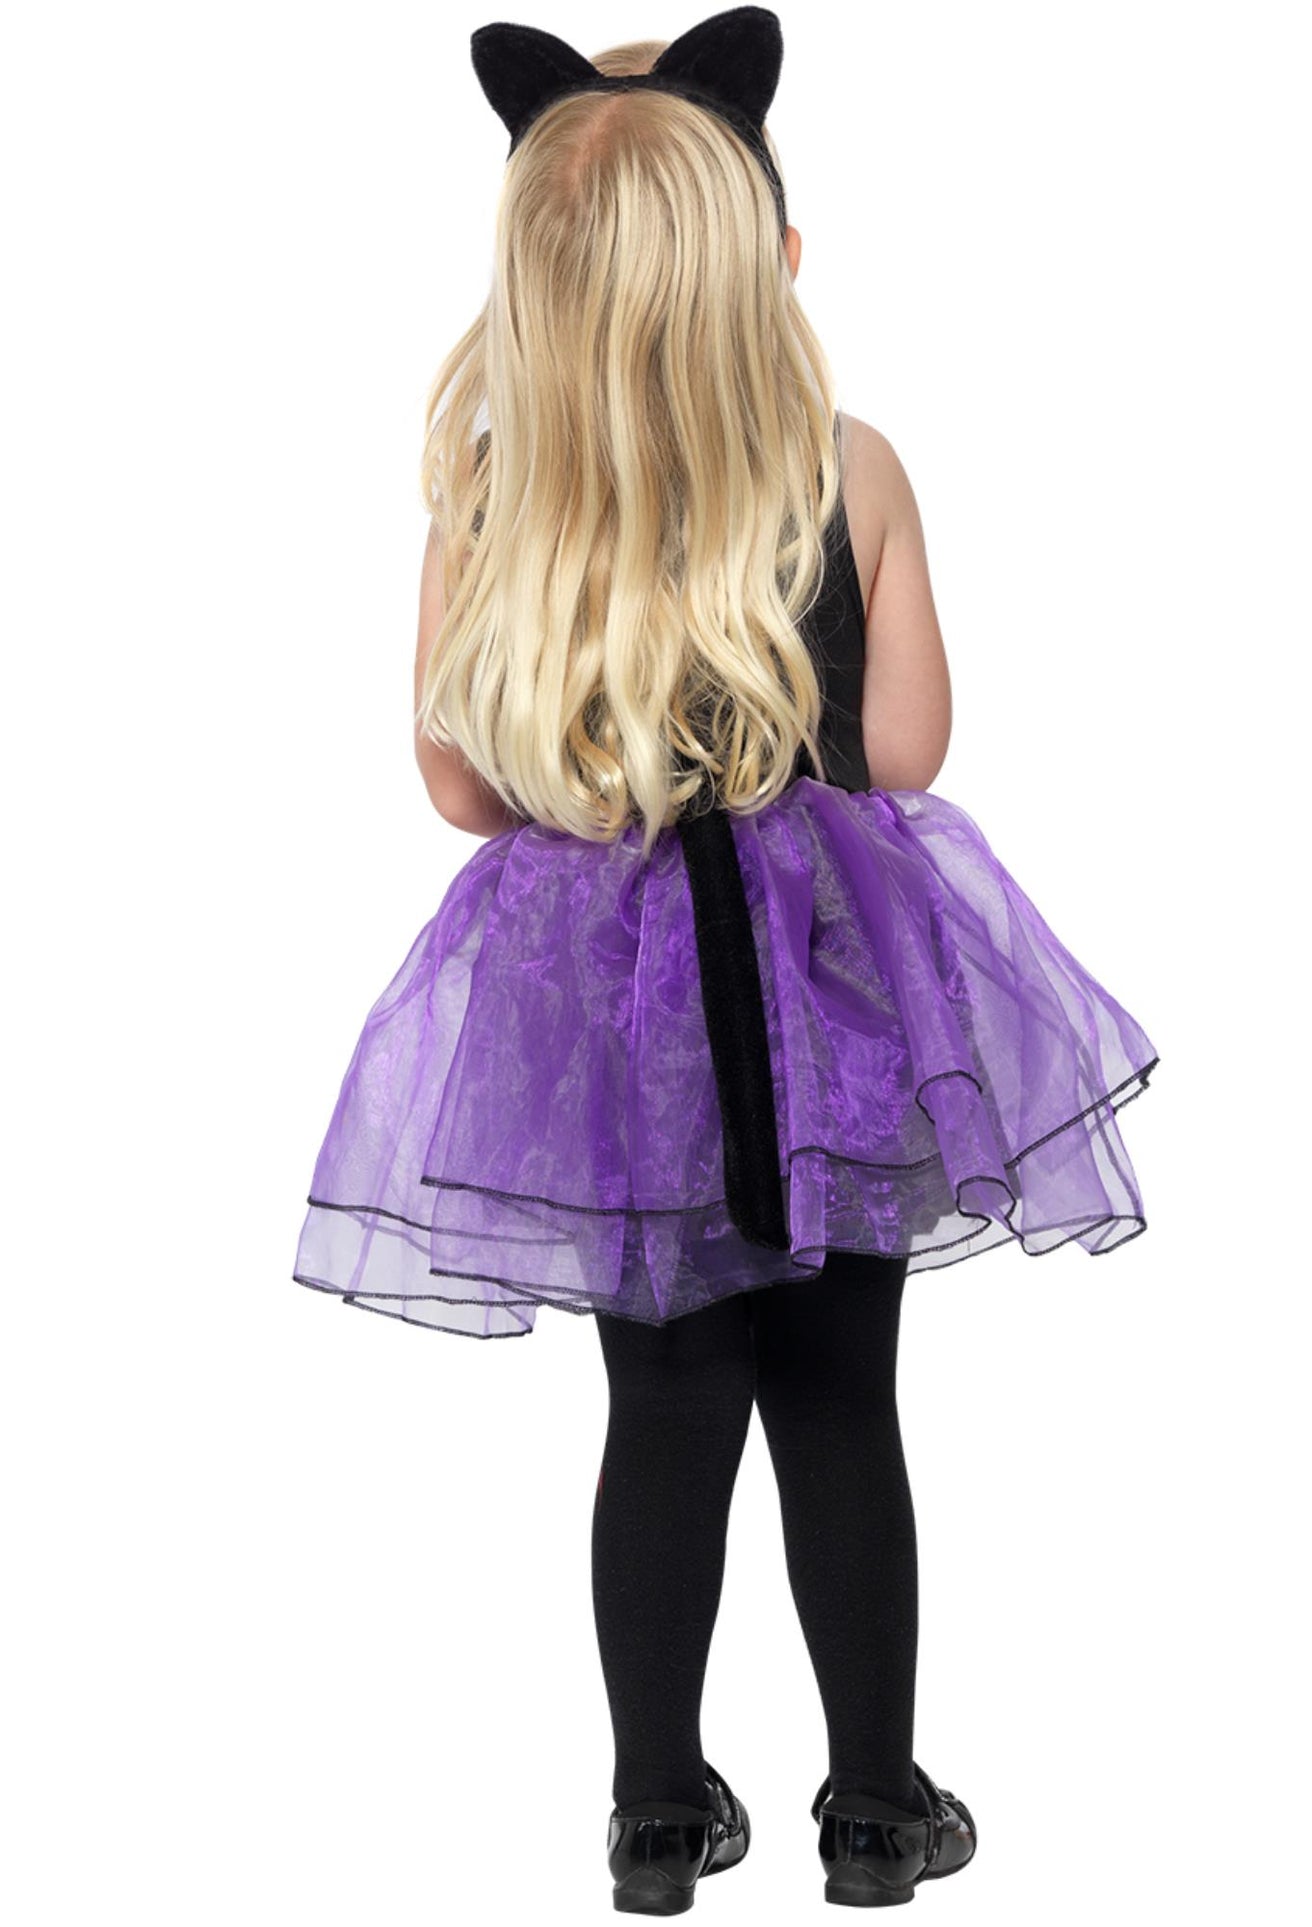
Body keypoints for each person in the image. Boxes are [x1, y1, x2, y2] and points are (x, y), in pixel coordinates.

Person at [292, 9, 1160, 1912]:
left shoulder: (490, 489)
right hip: (836, 1001)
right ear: (766, 253)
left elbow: (459, 785)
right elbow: (904, 753)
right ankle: (877, 1809)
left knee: (662, 1408)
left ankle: (656, 1815)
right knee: (841, 1401)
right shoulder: (849, 468)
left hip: (616, 1016)